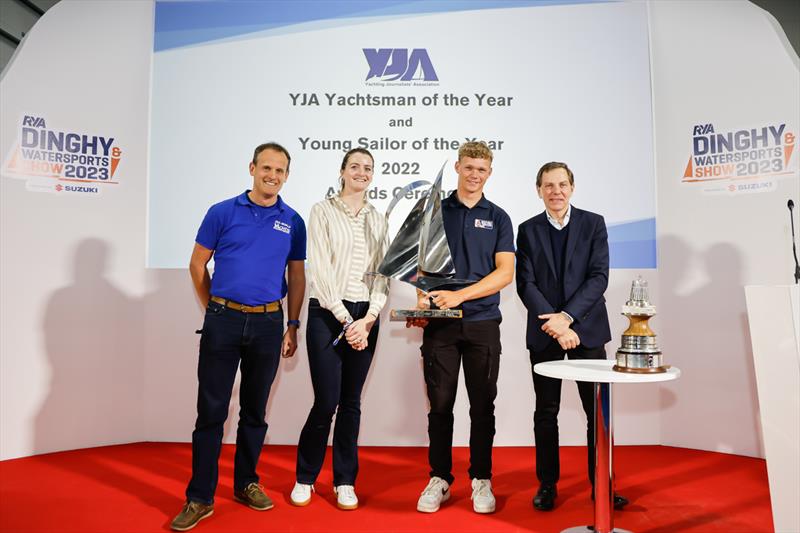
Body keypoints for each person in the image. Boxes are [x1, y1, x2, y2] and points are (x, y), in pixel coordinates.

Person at [170, 142, 306, 531]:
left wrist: (292, 325)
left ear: (287, 175)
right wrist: (213, 305)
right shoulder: (222, 212)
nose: (272, 176)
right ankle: (199, 497)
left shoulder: (293, 221)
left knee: (255, 412)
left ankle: (246, 483)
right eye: (266, 168)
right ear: (252, 168)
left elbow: (296, 276)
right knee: (211, 412)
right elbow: (198, 264)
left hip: (268, 324)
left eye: (280, 170)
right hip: (223, 321)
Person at [409, 141, 515, 515]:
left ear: (489, 173)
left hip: (483, 323)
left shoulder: (498, 216)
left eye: (481, 169)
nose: (474, 174)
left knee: (483, 406)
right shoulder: (435, 209)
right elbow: (420, 266)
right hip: (441, 326)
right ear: (457, 167)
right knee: (440, 406)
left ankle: (481, 479)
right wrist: (424, 299)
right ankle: (439, 478)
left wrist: (461, 296)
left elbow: (505, 272)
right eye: (468, 167)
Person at [515, 161, 627, 511]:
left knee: (597, 414)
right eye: (548, 185)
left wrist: (567, 318)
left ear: (572, 187)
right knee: (545, 412)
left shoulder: (593, 224)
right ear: (539, 190)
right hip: (546, 333)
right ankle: (547, 485)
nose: (556, 191)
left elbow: (598, 277)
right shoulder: (527, 229)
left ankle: (602, 487)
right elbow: (525, 283)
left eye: (562, 184)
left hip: (587, 330)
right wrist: (555, 324)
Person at [289, 148, 389, 510]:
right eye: (355, 167)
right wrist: (348, 322)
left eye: (368, 168)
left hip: (366, 319)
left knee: (351, 403)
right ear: (342, 171)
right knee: (326, 401)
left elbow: (383, 274)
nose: (362, 172)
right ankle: (305, 477)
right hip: (328, 314)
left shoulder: (379, 219)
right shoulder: (322, 211)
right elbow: (322, 273)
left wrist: (370, 318)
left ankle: (345, 480)